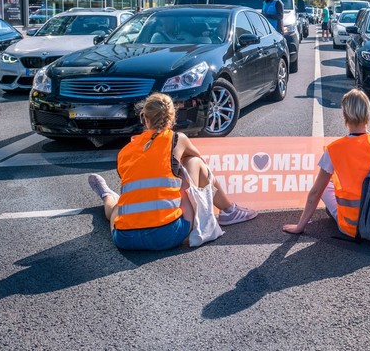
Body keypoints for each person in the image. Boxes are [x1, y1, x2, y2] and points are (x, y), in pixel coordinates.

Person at [87, 93, 257, 251]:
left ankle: (107, 195)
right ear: (172, 117)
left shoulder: (126, 150)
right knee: (194, 163)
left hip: (125, 239)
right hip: (168, 235)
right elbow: (198, 160)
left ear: (145, 119)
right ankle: (230, 210)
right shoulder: (177, 139)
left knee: (117, 208)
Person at [282, 89, 370, 238]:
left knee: (323, 185)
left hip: (352, 227)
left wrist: (299, 227)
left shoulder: (334, 150)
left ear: (345, 116)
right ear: (368, 114)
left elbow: (315, 193)